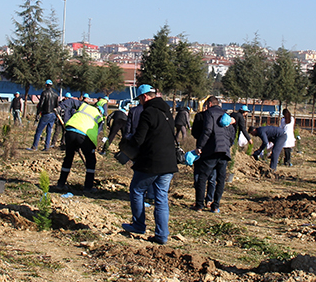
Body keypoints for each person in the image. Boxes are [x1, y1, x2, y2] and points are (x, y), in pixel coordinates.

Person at [119, 85, 177, 245]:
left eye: (139, 99)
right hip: (169, 162)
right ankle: (162, 235)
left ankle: (138, 225)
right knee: (161, 197)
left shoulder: (148, 112)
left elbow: (139, 139)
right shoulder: (167, 112)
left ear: (144, 97)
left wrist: (126, 142)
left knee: (136, 190)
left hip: (152, 161)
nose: (140, 102)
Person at [191, 97, 233, 213]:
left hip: (212, 150)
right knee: (220, 179)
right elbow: (231, 133)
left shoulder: (209, 113)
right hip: (224, 152)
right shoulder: (225, 114)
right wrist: (228, 145)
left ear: (209, 104)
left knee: (202, 177)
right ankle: (215, 206)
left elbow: (207, 130)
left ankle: (199, 205)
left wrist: (200, 146)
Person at [57, 97, 108, 190]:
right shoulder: (99, 117)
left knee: (68, 158)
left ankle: (60, 183)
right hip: (84, 136)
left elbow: (71, 101)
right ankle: (88, 187)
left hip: (70, 131)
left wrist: (61, 107)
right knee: (91, 161)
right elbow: (96, 133)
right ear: (101, 111)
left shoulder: (84, 106)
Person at [30, 80, 59, 150]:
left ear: (46, 85)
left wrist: (38, 113)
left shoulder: (44, 93)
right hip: (52, 114)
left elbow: (41, 104)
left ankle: (35, 146)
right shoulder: (55, 94)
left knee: (39, 130)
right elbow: (56, 105)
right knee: (49, 131)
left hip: (46, 114)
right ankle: (47, 146)